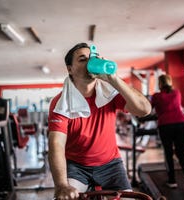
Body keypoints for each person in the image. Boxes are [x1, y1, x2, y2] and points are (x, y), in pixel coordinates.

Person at [48, 42, 151, 200]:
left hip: (111, 164)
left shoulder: (109, 93)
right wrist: (61, 185)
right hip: (77, 166)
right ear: (70, 69)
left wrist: (113, 79)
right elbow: (56, 144)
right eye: (83, 59)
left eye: (92, 58)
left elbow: (144, 109)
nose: (89, 62)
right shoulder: (61, 103)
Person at [151, 74, 184, 191]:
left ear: (159, 84)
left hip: (165, 125)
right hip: (181, 123)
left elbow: (148, 109)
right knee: (181, 151)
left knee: (168, 153)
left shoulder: (156, 96)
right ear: (170, 82)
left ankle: (172, 181)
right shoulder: (177, 93)